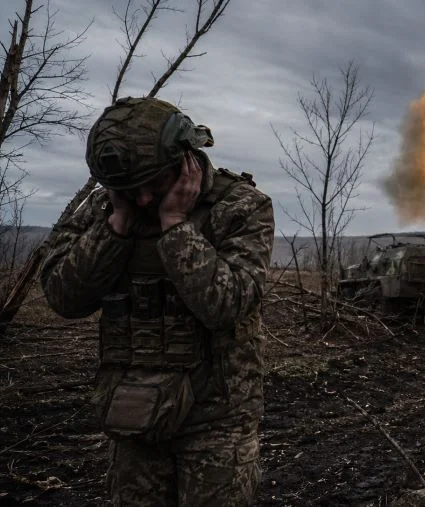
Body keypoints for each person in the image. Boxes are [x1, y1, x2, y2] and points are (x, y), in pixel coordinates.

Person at [39, 96, 274, 506]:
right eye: (131, 189)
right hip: (132, 414)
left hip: (217, 422)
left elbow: (228, 304)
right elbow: (63, 297)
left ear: (185, 159)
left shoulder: (240, 206)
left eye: (153, 184)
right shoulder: (109, 207)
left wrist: (176, 227)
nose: (144, 199)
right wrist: (115, 226)